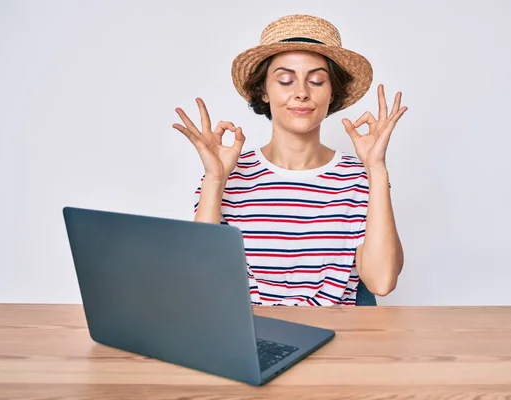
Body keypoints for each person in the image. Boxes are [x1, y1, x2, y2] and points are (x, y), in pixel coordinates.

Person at [172, 14, 407, 306]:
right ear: (263, 91)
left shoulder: (359, 179)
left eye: (317, 81)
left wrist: (376, 170)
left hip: (338, 341)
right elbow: (200, 281)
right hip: (253, 340)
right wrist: (215, 179)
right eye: (285, 80)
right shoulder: (227, 174)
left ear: (332, 92)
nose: (301, 93)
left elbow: (382, 282)